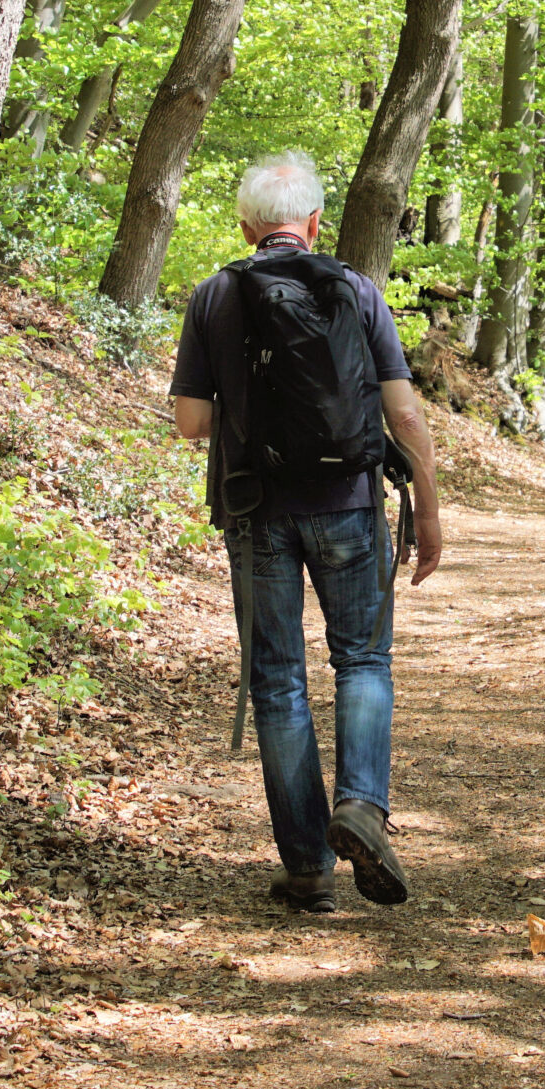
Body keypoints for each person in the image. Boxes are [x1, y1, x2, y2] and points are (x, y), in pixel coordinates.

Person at [169, 149, 445, 913]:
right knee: (362, 660)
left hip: (256, 512)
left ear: (247, 225)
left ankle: (308, 869)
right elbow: (405, 413)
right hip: (352, 503)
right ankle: (360, 803)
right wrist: (427, 507)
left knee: (279, 682)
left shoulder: (216, 296)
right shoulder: (355, 289)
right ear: (315, 222)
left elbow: (191, 423)